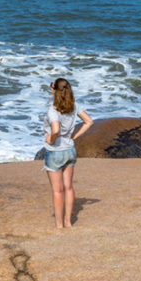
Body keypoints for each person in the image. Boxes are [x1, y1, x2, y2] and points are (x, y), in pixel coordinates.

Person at [43, 77, 93, 229]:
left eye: (52, 86)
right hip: (70, 150)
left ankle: (59, 224)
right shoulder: (74, 105)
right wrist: (74, 137)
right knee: (69, 187)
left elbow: (56, 129)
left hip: (55, 152)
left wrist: (51, 139)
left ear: (54, 91)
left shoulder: (53, 109)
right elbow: (89, 121)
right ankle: (68, 222)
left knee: (57, 190)